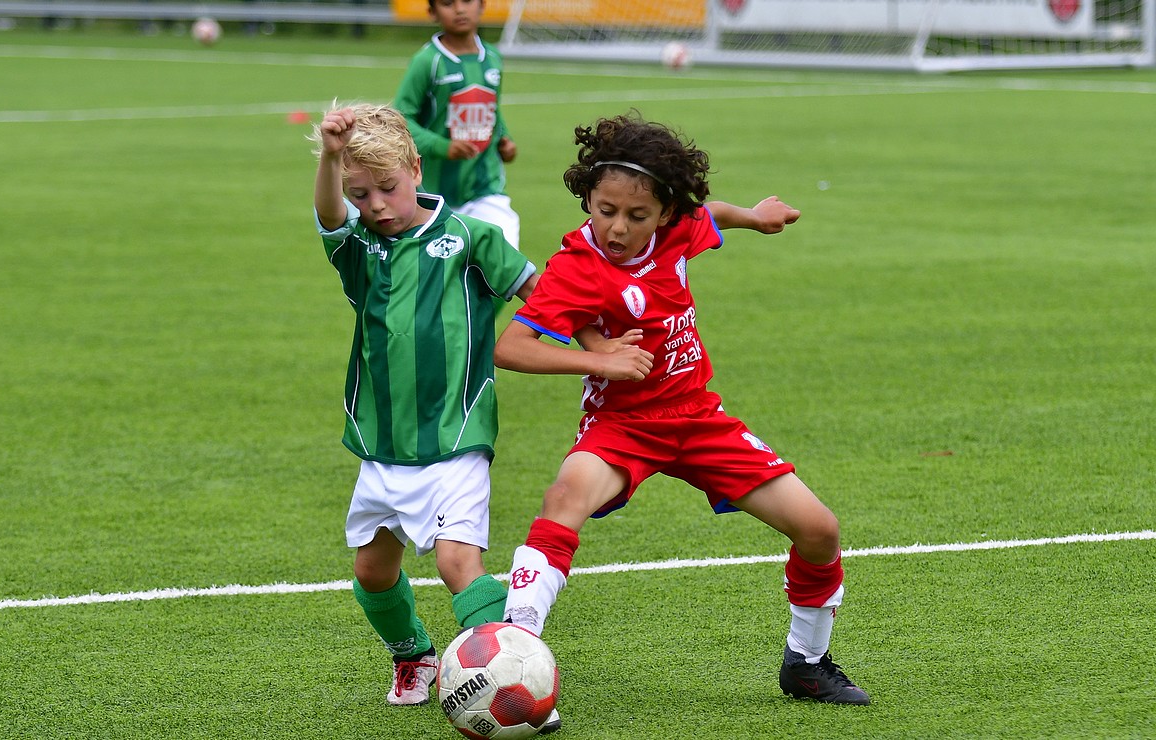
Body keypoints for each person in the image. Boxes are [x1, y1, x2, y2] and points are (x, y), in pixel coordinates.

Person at [493, 113, 873, 708]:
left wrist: (754, 216)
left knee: (820, 529)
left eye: (636, 216)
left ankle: (807, 663)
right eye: (604, 209)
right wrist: (601, 363)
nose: (617, 227)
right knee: (565, 497)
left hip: (697, 417)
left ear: (665, 213)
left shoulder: (679, 228)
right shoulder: (575, 269)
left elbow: (710, 213)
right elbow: (510, 348)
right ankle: (512, 649)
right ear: (587, 197)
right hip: (623, 427)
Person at [311, 102, 540, 708]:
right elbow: (328, 213)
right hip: (383, 443)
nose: (376, 205)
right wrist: (332, 157)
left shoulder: (470, 237)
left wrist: (597, 350)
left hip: (456, 434)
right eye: (361, 194)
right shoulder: (358, 247)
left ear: (415, 169)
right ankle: (413, 656)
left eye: (387, 187)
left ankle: (520, 680)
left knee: (457, 563)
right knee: (372, 573)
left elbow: (541, 294)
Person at [393, 0, 521, 250]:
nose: (460, 9)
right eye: (448, 3)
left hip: (486, 189)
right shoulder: (427, 61)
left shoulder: (493, 58)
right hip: (434, 195)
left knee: (507, 262)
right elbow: (400, 119)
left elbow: (491, 108)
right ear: (432, 12)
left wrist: (505, 139)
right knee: (444, 277)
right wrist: (443, 146)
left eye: (467, 1)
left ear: (482, 5)